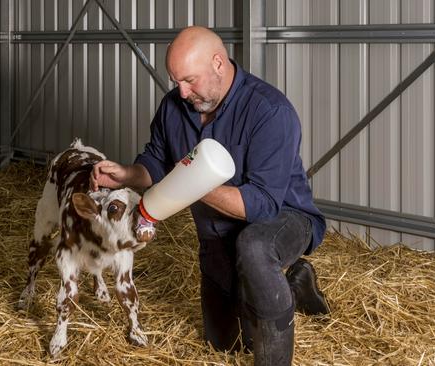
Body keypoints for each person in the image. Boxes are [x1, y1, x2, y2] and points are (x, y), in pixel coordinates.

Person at [90, 26, 328, 366]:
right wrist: (127, 174)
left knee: (255, 248)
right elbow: (157, 161)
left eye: (190, 80)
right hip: (217, 232)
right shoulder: (174, 106)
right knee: (223, 343)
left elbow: (261, 205)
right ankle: (292, 283)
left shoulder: (270, 111)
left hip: (283, 219)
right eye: (176, 81)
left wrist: (192, 182)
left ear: (218, 63)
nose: (182, 91)